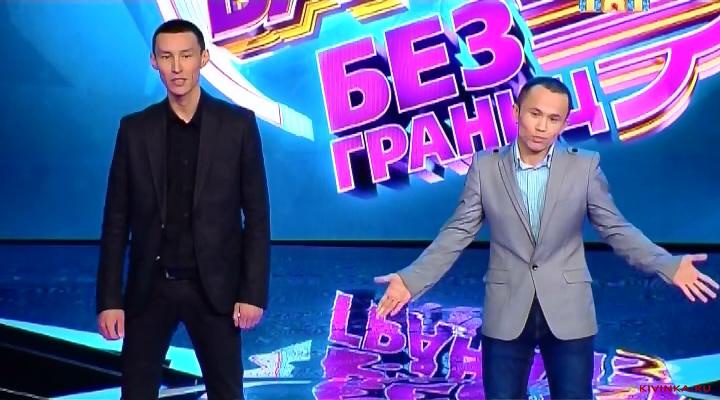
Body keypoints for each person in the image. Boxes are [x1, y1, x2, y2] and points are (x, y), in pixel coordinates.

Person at [374, 76, 719, 399]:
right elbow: (457, 232)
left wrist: (666, 264)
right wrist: (411, 279)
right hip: (506, 311)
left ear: (564, 124)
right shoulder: (485, 167)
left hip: (569, 312)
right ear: (516, 112)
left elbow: (615, 228)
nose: (542, 127)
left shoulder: (584, 167)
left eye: (554, 119)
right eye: (535, 114)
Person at [95, 19, 270, 400]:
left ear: (203, 59)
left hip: (215, 291)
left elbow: (257, 217)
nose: (177, 67)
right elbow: (115, 221)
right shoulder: (135, 129)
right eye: (167, 57)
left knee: (227, 393)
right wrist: (109, 301)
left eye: (186, 56)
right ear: (153, 61)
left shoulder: (237, 125)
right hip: (150, 288)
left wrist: (253, 292)